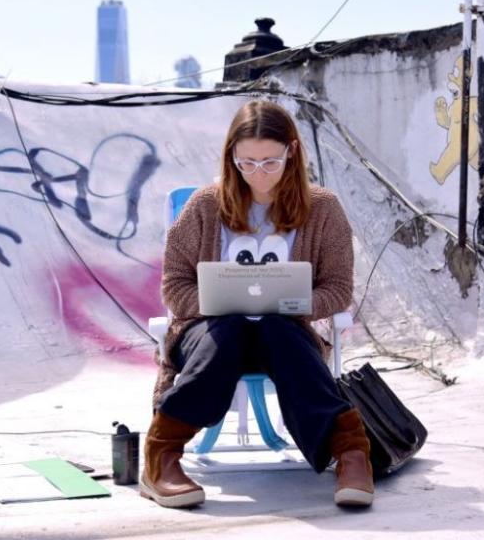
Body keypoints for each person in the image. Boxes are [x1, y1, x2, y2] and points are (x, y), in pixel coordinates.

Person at [140, 99, 375, 508]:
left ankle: (352, 452)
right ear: (231, 155)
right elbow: (173, 284)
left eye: (270, 162)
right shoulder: (204, 206)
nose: (258, 173)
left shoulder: (323, 208)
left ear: (293, 152)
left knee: (275, 330)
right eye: (246, 163)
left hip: (285, 330)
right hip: (209, 330)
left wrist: (293, 302)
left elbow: (338, 288)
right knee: (228, 332)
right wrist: (213, 301)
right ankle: (161, 454)